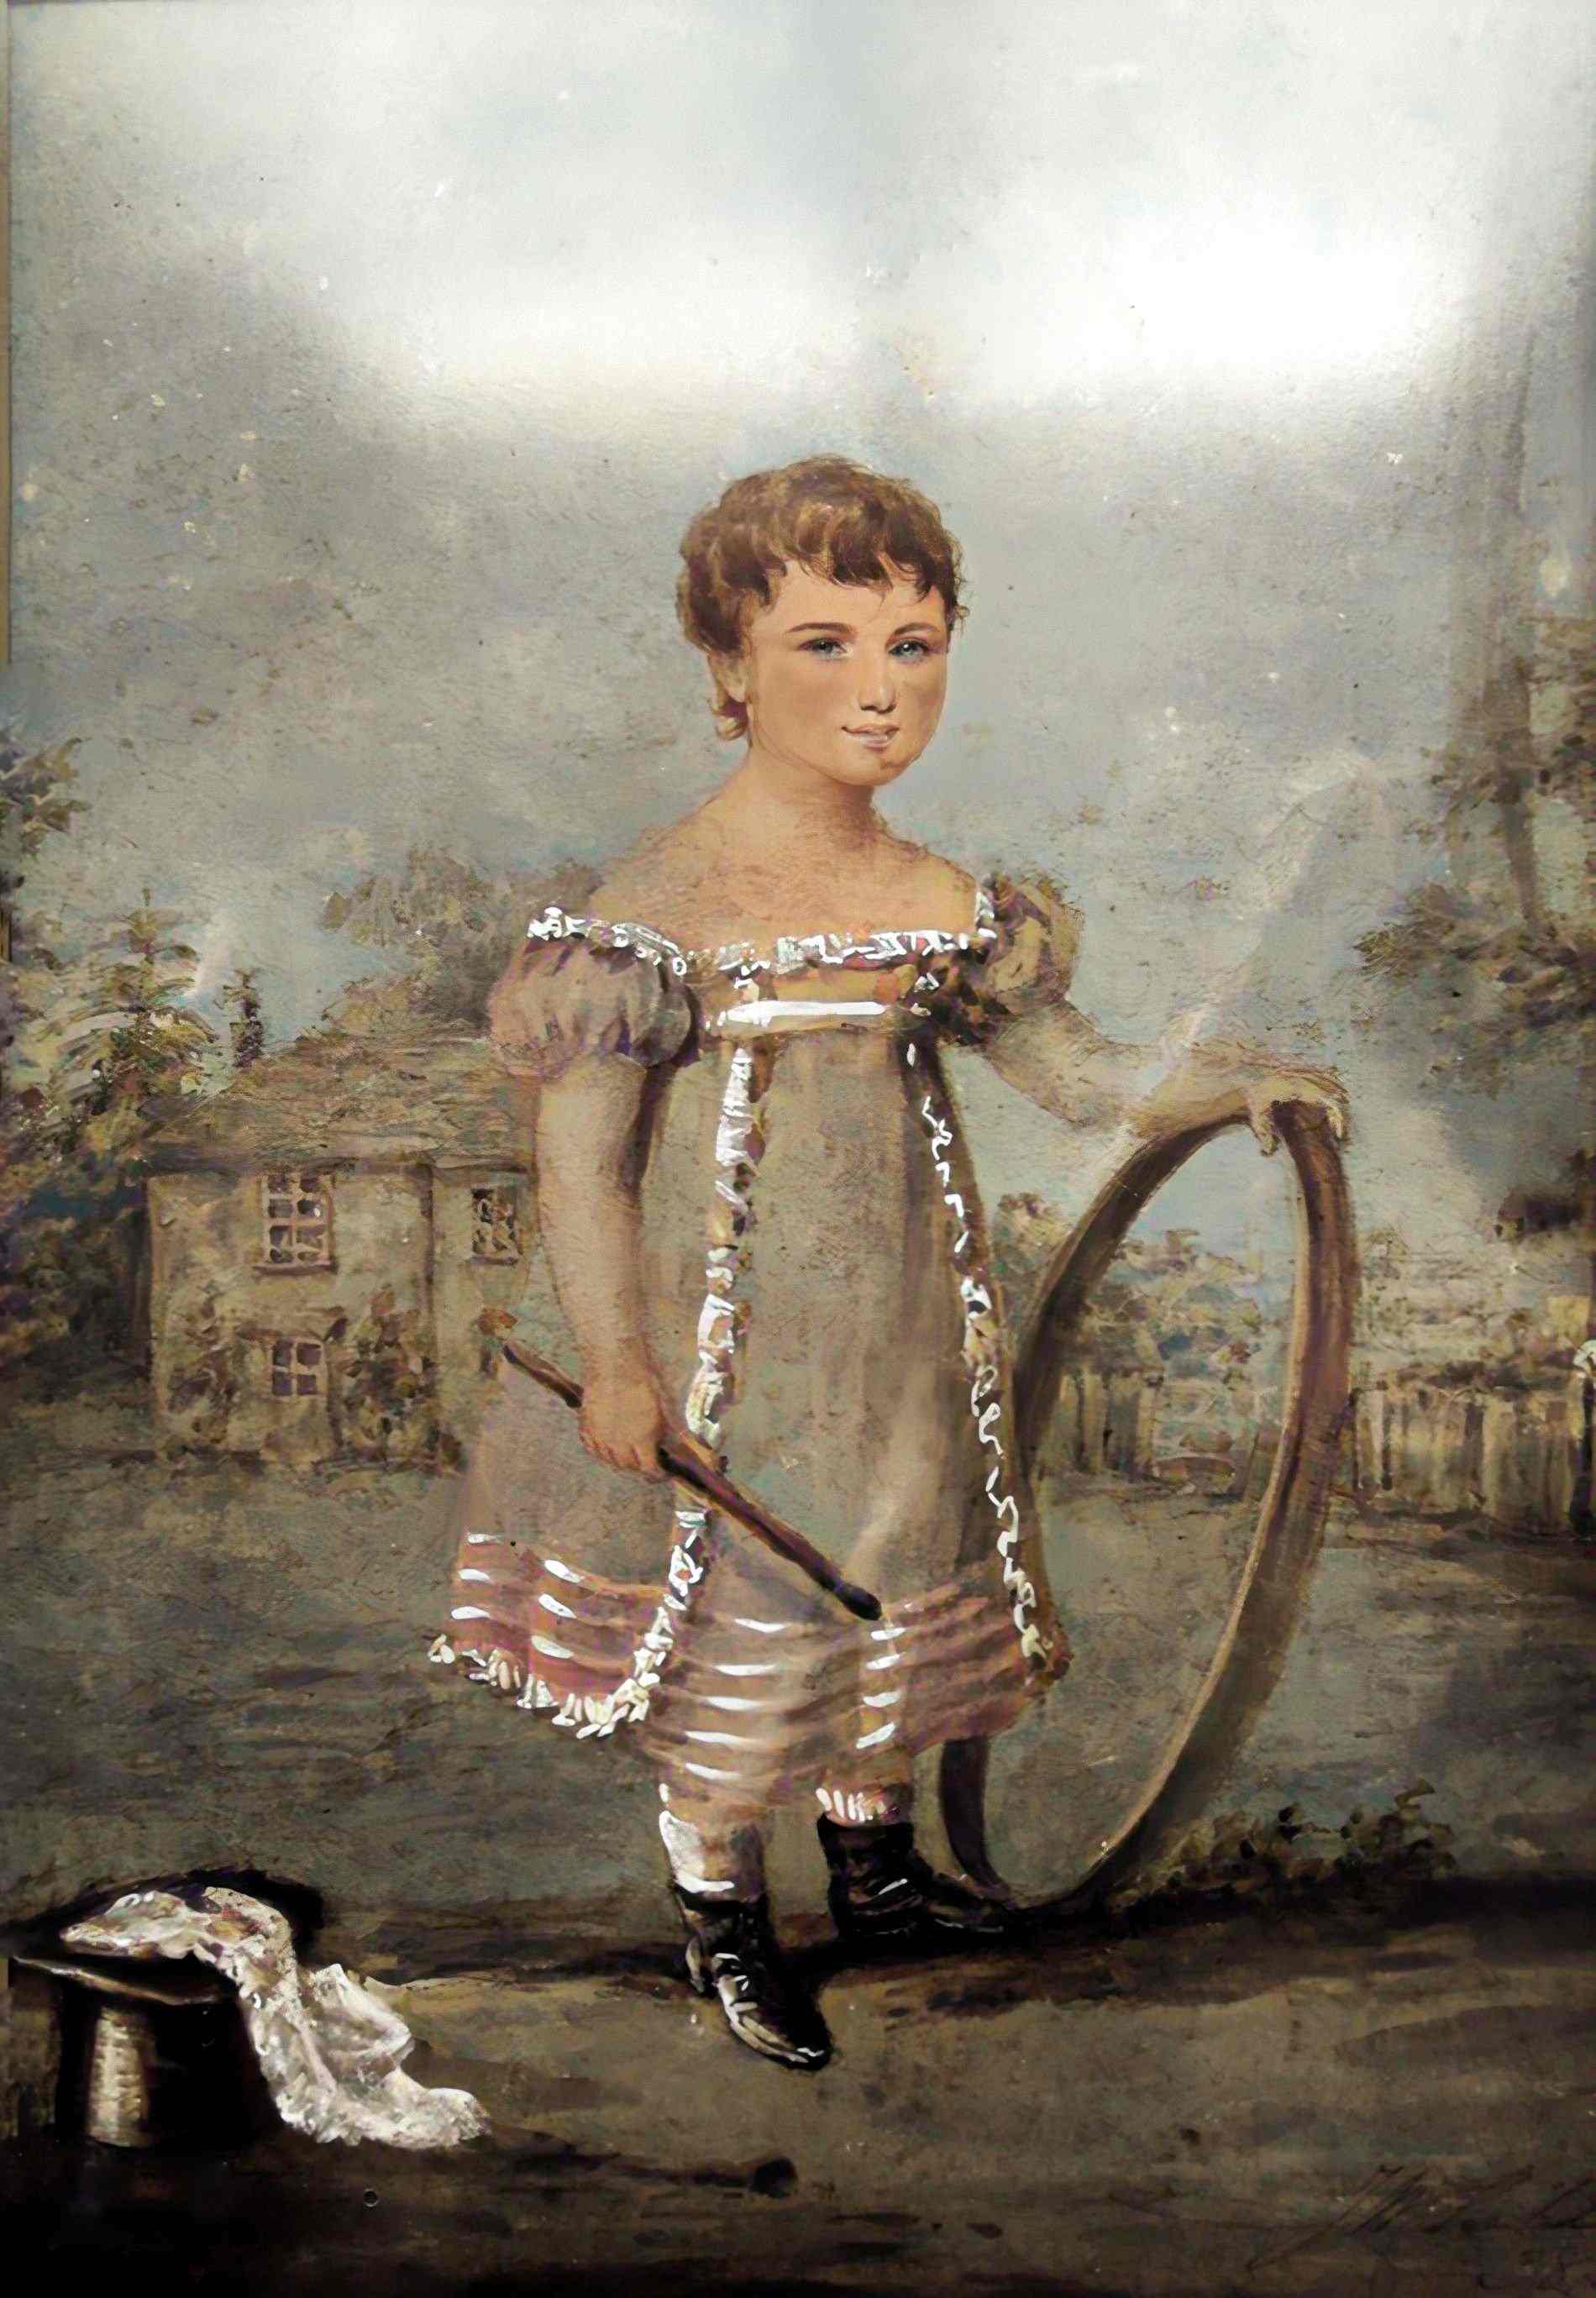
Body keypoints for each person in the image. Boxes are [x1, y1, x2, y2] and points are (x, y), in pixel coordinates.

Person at [429, 454, 1347, 2070]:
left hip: (904, 1349)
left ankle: (880, 1880)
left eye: (913, 647)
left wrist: (1232, 1084)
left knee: (897, 1573)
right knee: (751, 1617)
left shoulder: (942, 903)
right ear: (730, 665)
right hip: (728, 1359)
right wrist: (622, 1367)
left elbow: (1082, 1081)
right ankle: (726, 1916)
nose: (880, 690)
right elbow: (582, 1168)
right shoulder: (647, 910)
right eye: (826, 645)